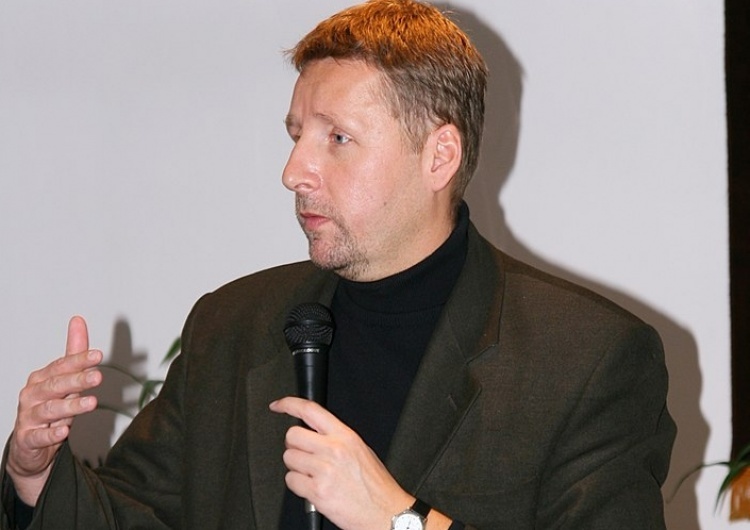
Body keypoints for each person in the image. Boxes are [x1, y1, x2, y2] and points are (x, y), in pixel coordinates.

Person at [1, 1, 676, 529]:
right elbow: (133, 515)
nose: (294, 171)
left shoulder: (586, 359)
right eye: (297, 136)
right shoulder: (232, 326)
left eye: (338, 139)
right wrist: (34, 474)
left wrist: (399, 520)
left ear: (438, 156)